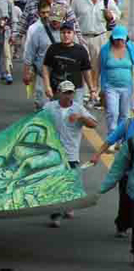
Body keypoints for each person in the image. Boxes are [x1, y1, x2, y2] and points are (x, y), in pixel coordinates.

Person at [44, 80, 97, 228]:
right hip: (53, 153)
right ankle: (55, 215)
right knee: (56, 184)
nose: (68, 96)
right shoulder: (49, 107)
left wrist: (80, 117)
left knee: (71, 183)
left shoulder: (78, 108)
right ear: (59, 93)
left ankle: (68, 206)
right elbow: (38, 122)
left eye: (70, 93)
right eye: (65, 92)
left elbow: (94, 124)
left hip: (72, 153)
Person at [42, 21, 94, 103]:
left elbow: (86, 71)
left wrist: (92, 90)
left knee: (76, 114)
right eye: (63, 33)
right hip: (57, 89)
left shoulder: (81, 50)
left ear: (74, 34)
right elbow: (46, 68)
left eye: (69, 32)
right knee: (57, 113)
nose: (66, 35)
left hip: (76, 90)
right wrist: (47, 86)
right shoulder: (53, 48)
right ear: (60, 34)